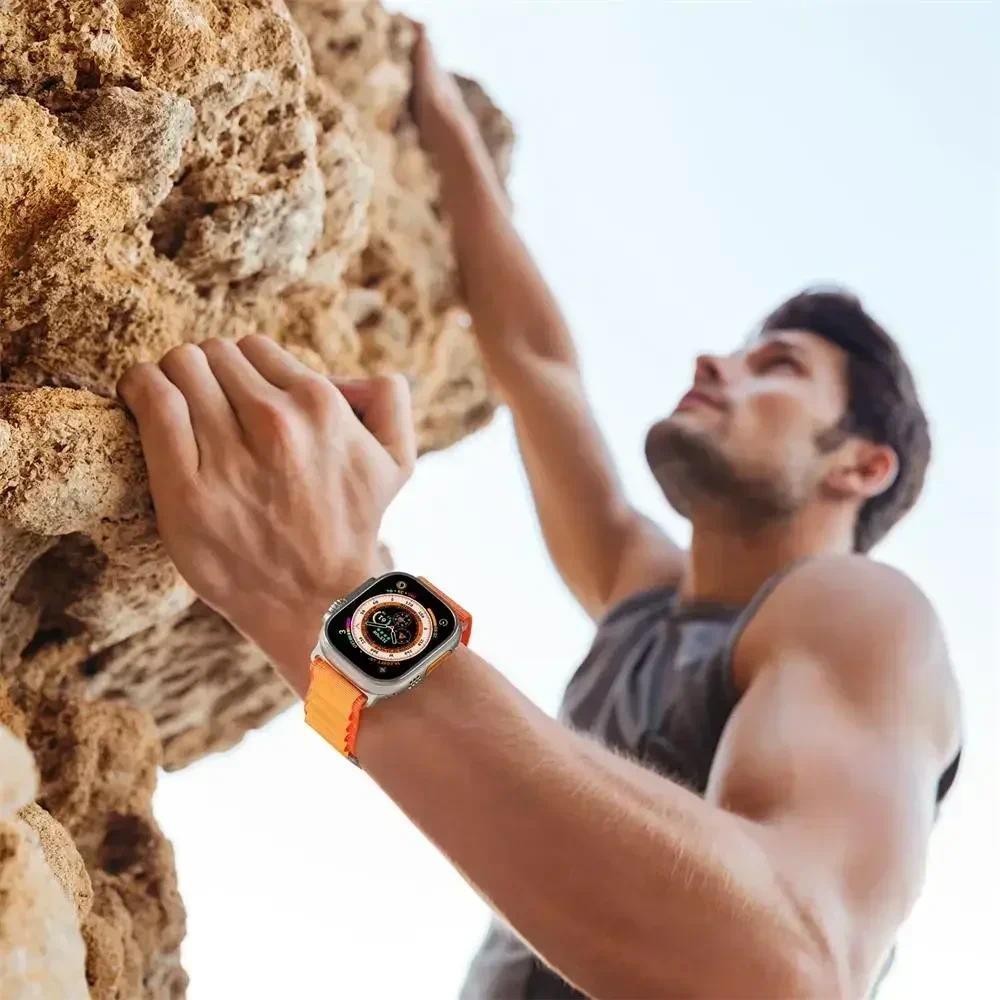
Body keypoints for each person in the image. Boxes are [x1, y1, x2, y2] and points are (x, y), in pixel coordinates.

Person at [115, 23, 963, 1000]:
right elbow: (536, 363)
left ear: (861, 464)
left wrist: (338, 600)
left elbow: (785, 963)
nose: (714, 362)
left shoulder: (865, 613)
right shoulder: (643, 590)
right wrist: (445, 130)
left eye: (778, 366)